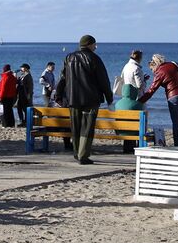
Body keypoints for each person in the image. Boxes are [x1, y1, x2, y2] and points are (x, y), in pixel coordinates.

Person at [55, 35, 114, 164]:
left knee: (75, 127)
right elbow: (103, 80)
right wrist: (109, 99)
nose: (96, 47)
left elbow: (62, 78)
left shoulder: (69, 57)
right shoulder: (94, 58)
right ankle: (83, 155)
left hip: (73, 98)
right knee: (87, 127)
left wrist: (58, 95)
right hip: (91, 99)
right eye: (94, 44)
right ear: (89, 44)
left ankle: (77, 153)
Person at [139, 54, 178, 147]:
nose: (153, 72)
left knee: (176, 122)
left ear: (155, 64)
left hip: (173, 97)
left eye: (152, 69)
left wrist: (140, 101)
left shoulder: (160, 71)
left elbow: (152, 90)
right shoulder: (173, 64)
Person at [113, 57, 145, 153]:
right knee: (136, 127)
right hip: (133, 131)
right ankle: (135, 148)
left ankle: (127, 148)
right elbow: (139, 85)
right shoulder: (137, 104)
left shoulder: (117, 104)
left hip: (120, 130)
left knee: (126, 125)